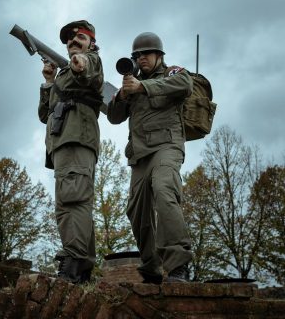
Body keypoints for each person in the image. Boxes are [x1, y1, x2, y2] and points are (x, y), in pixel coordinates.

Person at [107, 32, 193, 283]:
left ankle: (178, 265)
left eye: (146, 53)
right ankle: (152, 268)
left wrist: (143, 86)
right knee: (137, 212)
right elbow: (113, 117)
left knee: (165, 190)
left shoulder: (172, 73)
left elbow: (186, 85)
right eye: (137, 55)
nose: (141, 58)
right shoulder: (130, 84)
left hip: (167, 146)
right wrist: (123, 95)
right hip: (140, 155)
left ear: (159, 55)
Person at [38, 20, 104, 284]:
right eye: (69, 39)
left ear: (90, 42)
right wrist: (48, 81)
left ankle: (74, 263)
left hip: (77, 138)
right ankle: (83, 269)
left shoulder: (91, 61)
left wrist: (82, 63)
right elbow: (44, 114)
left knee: (71, 202)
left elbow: (90, 70)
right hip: (63, 142)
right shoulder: (64, 74)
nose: (72, 42)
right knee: (74, 200)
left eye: (79, 38)